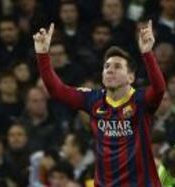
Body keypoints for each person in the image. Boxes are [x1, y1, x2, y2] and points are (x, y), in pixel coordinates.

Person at [33, 20, 165, 186]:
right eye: (107, 66)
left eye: (117, 67)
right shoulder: (93, 100)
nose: (110, 70)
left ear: (131, 77)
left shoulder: (140, 100)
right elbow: (57, 90)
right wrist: (43, 55)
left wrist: (147, 53)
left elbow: (159, 89)